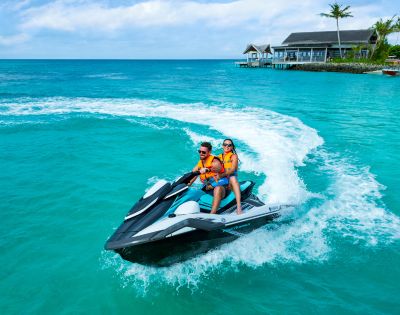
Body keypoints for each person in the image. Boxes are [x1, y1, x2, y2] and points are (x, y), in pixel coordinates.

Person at [189, 142, 227, 214]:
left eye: (203, 152)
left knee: (217, 188)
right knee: (193, 192)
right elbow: (191, 178)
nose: (201, 153)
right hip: (207, 188)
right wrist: (185, 183)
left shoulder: (214, 161)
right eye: (199, 151)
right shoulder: (200, 164)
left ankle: (212, 214)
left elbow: (218, 168)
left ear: (209, 152)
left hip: (221, 188)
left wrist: (207, 169)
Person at [217, 139, 243, 214]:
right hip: (223, 181)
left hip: (231, 181)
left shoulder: (233, 156)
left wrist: (221, 175)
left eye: (229, 145)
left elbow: (233, 169)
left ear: (232, 147)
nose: (227, 146)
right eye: (225, 144)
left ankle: (239, 206)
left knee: (233, 178)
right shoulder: (218, 157)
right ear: (222, 146)